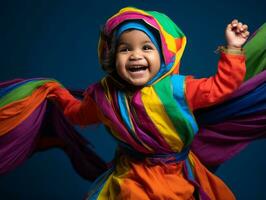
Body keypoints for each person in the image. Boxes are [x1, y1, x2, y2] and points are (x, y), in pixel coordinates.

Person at [0, 6, 265, 200]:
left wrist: (233, 49)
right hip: (132, 176)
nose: (135, 55)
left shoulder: (177, 90)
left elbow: (222, 87)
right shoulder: (103, 95)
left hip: (177, 173)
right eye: (125, 49)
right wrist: (55, 94)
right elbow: (78, 114)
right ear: (111, 57)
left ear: (165, 56)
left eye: (147, 47)